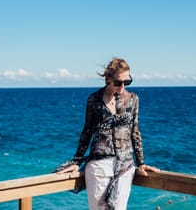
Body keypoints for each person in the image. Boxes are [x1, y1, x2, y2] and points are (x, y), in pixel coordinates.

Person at [55, 57, 159, 210]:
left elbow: (135, 132)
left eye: (127, 81)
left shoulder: (133, 99)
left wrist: (141, 163)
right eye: (118, 82)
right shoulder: (94, 100)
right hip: (99, 166)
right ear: (108, 79)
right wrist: (77, 161)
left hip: (125, 166)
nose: (122, 86)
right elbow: (87, 131)